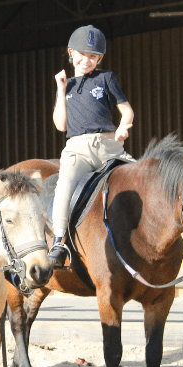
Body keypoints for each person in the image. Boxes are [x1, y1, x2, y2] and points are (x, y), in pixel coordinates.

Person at [48, 25, 134, 267]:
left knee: (142, 178)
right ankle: (58, 241)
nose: (87, 61)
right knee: (64, 185)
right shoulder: (68, 85)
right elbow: (60, 125)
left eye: (93, 57)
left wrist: (122, 127)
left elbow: (126, 111)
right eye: (83, 55)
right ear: (71, 53)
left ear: (100, 59)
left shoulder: (106, 78)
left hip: (109, 146)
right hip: (78, 149)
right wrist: (61, 89)